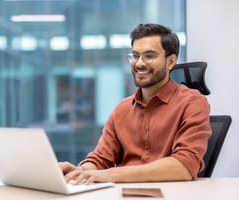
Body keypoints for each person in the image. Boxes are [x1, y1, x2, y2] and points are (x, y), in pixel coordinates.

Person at [60, 23, 211, 184]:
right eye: (135, 55)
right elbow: (100, 160)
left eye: (149, 56)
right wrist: (80, 172)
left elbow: (184, 166)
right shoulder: (122, 109)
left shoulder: (193, 103)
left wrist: (110, 175)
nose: (139, 63)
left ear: (171, 61)